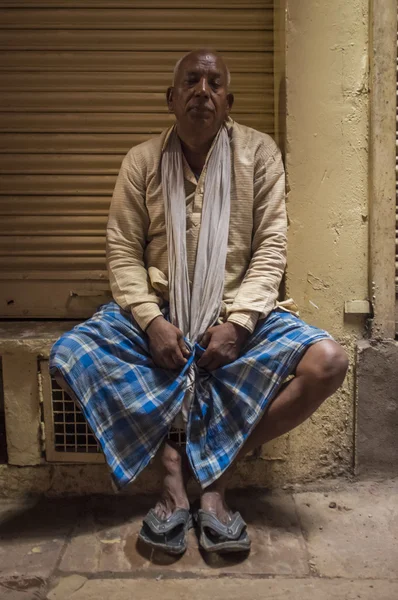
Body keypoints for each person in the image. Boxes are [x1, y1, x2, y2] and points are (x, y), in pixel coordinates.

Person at [50, 49, 348, 555]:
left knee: (328, 362)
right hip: (158, 315)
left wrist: (241, 323)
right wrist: (150, 322)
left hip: (238, 314)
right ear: (171, 98)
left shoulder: (260, 154)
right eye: (191, 81)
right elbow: (122, 251)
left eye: (214, 84)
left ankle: (216, 474)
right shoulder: (142, 160)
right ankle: (170, 473)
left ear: (228, 101)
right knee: (69, 356)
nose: (202, 91)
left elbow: (271, 247)